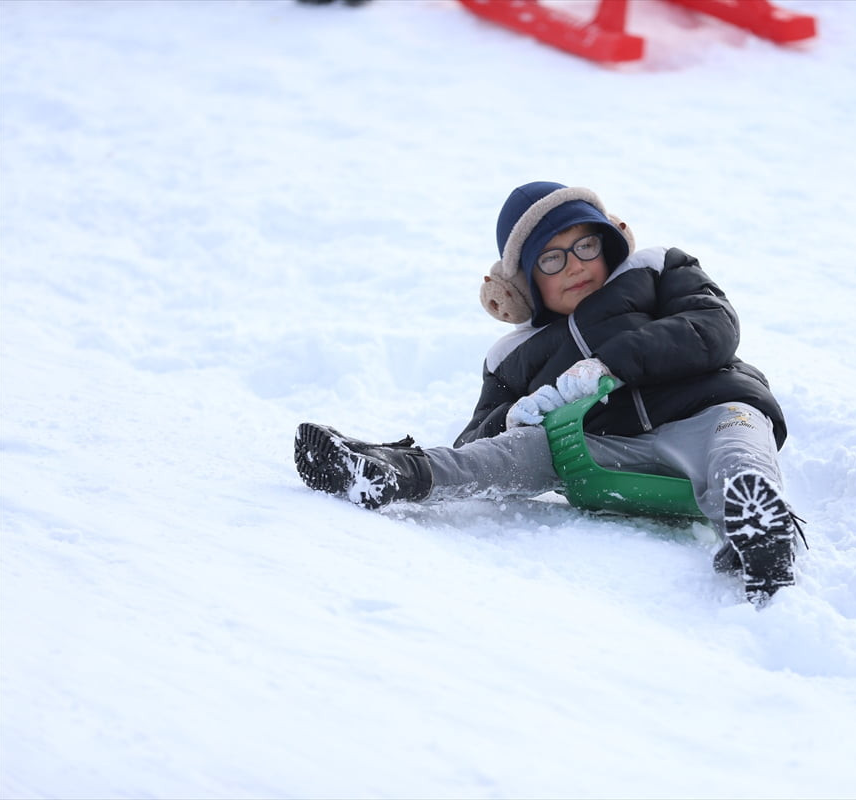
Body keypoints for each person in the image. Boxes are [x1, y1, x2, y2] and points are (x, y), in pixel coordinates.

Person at [294, 181, 807, 604]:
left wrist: (608, 365)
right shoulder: (512, 355)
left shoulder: (655, 269)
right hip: (606, 452)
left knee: (738, 436)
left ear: (608, 242)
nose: (576, 266)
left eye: (585, 247)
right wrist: (519, 416)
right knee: (523, 448)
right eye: (553, 260)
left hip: (706, 413)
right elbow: (481, 438)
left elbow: (713, 326)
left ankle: (758, 529)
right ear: (522, 285)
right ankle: (394, 473)